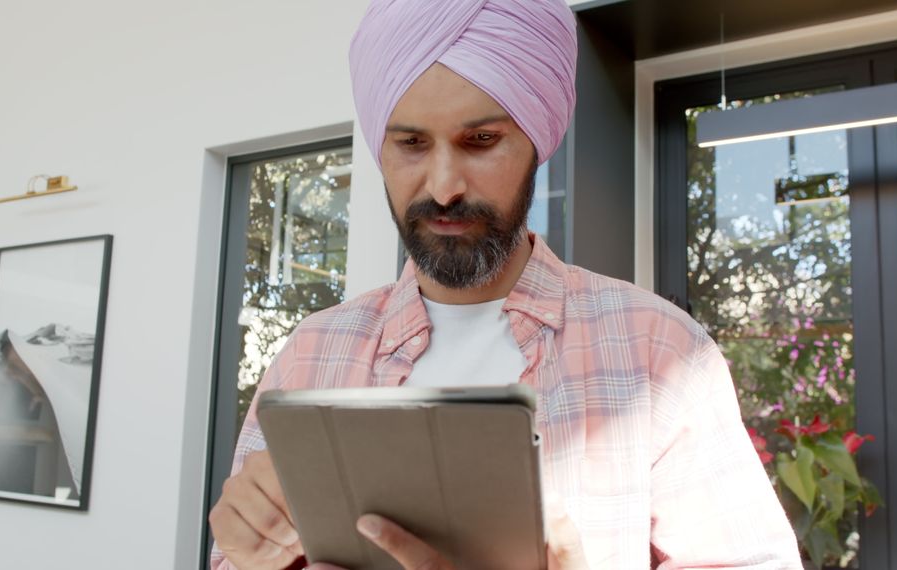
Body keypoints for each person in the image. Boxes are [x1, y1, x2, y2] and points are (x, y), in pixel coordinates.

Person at [209, 1, 803, 568]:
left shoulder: (661, 351)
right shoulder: (311, 353)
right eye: (411, 143)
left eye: (480, 141)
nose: (443, 187)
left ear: (536, 144)